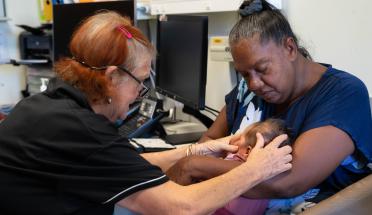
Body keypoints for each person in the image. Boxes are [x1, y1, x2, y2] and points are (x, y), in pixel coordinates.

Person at [0, 11, 292, 215]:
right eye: (140, 82)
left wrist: (199, 149)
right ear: (113, 77)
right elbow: (182, 207)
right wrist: (257, 169)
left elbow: (124, 162)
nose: (140, 94)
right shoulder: (82, 130)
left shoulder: (50, 106)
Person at [167, 0, 372, 213]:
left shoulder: (343, 93)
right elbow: (209, 141)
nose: (253, 83)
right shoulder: (247, 91)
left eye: (262, 69)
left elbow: (288, 181)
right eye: (245, 74)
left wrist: (193, 166)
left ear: (290, 48)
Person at [168, 118, 291, 215]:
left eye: (240, 137)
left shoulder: (233, 161)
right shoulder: (269, 178)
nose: (233, 139)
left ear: (247, 151)